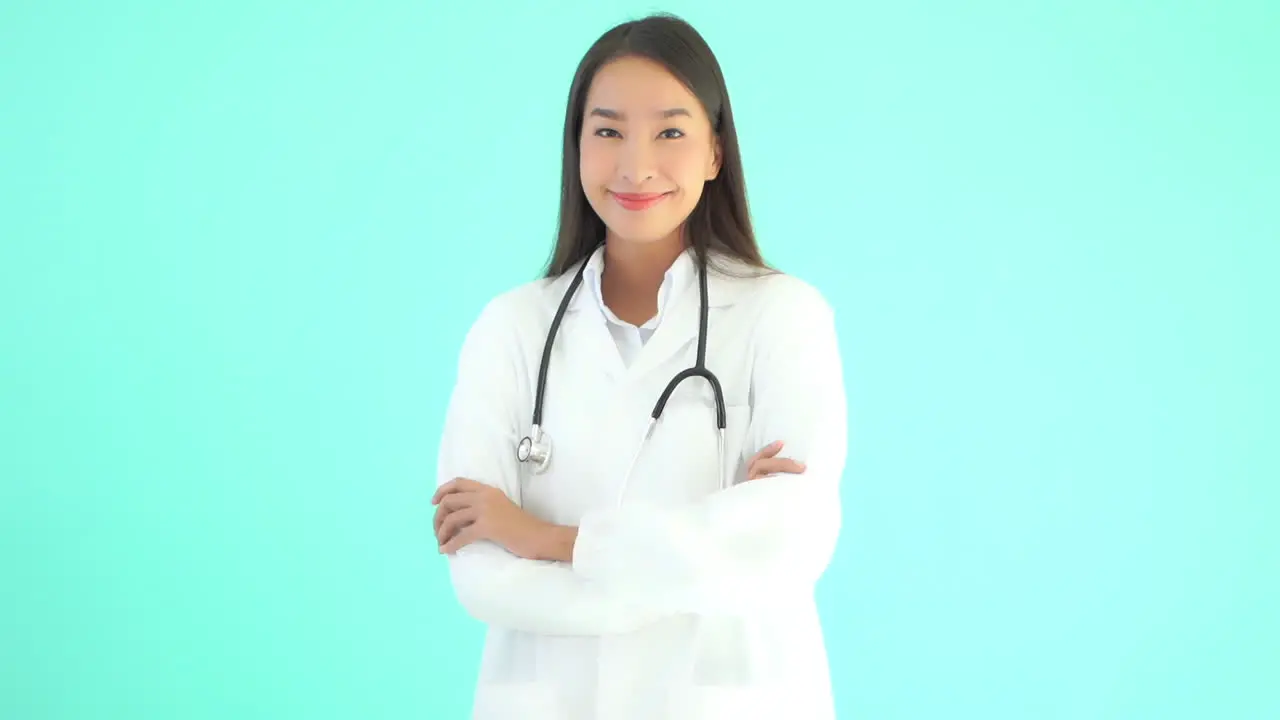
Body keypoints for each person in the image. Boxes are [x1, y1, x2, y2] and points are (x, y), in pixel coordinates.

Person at [431, 12, 848, 720]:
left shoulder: (783, 316)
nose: (636, 165)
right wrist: (704, 559)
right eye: (608, 130)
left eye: (671, 131)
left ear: (716, 151)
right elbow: (480, 577)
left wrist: (544, 539)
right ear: (576, 147)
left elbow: (789, 539)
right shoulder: (510, 329)